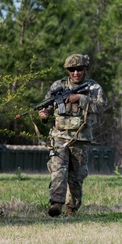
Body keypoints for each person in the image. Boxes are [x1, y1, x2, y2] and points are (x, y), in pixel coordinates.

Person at [37, 54, 107, 216]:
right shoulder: (57, 86)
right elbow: (47, 105)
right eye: (72, 69)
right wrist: (45, 115)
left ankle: (71, 208)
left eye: (79, 69)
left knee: (76, 176)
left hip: (80, 138)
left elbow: (101, 107)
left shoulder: (93, 88)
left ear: (86, 69)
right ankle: (56, 203)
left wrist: (80, 99)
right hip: (59, 136)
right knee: (58, 169)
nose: (75, 73)